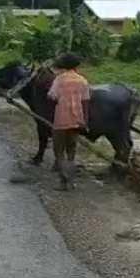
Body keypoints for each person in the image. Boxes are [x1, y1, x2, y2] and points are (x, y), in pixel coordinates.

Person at [48, 52, 90, 191]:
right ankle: (71, 182)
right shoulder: (82, 80)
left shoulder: (59, 80)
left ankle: (63, 182)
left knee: (59, 152)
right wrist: (84, 121)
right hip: (77, 121)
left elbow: (52, 97)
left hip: (61, 121)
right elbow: (85, 102)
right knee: (71, 152)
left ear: (63, 65)